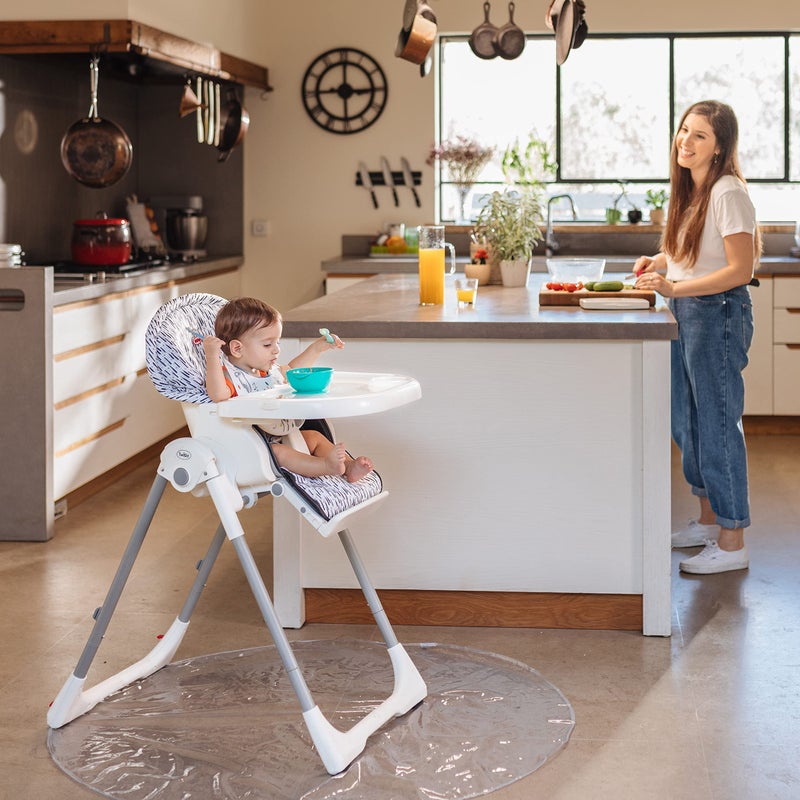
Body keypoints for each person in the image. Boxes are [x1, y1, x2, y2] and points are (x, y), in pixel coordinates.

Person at [633, 100, 759, 574]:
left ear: (720, 146)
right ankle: (709, 521)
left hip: (717, 313)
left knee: (718, 424)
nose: (686, 140)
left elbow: (739, 269)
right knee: (687, 421)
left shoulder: (727, 191)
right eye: (684, 130)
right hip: (685, 309)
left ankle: (732, 540)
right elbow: (686, 250)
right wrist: (657, 263)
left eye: (700, 135)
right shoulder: (693, 189)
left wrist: (676, 287)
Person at [202, 296, 374, 483]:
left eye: (277, 343)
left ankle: (349, 467)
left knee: (314, 437)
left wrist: (317, 349)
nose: (276, 350)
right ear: (237, 348)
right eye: (268, 344)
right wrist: (212, 355)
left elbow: (293, 372)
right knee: (278, 453)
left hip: (282, 435)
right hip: (255, 448)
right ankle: (326, 466)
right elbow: (218, 395)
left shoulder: (265, 372)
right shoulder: (232, 379)